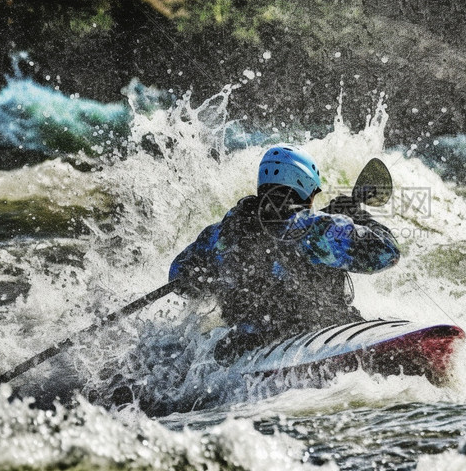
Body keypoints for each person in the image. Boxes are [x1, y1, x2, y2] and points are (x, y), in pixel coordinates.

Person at [169, 145, 400, 364]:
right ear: (304, 186)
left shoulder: (221, 234)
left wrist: (203, 275)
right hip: (310, 336)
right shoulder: (317, 230)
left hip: (245, 346)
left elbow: (177, 276)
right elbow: (387, 252)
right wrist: (358, 217)